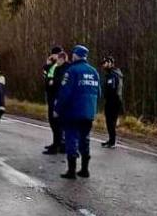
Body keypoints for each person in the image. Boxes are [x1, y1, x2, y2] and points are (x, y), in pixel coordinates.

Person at [54, 45, 101, 179]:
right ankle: (85, 169)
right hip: (89, 113)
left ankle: (71, 171)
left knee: (71, 139)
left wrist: (57, 109)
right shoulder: (94, 72)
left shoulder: (72, 71)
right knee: (85, 139)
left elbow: (65, 93)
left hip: (73, 112)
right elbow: (99, 92)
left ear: (75, 55)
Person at [43, 46, 68, 154]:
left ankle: (59, 144)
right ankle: (57, 143)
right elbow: (47, 77)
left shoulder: (61, 67)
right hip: (51, 95)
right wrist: (47, 65)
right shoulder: (54, 66)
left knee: (56, 122)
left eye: (53, 54)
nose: (51, 56)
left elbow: (56, 81)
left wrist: (51, 81)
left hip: (56, 96)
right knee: (54, 122)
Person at [101, 56, 124, 149]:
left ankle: (112, 141)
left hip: (113, 101)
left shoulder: (113, 74)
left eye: (105, 63)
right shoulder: (112, 73)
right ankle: (111, 140)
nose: (104, 65)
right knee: (109, 121)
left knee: (111, 122)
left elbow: (112, 88)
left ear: (110, 63)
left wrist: (107, 95)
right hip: (112, 100)